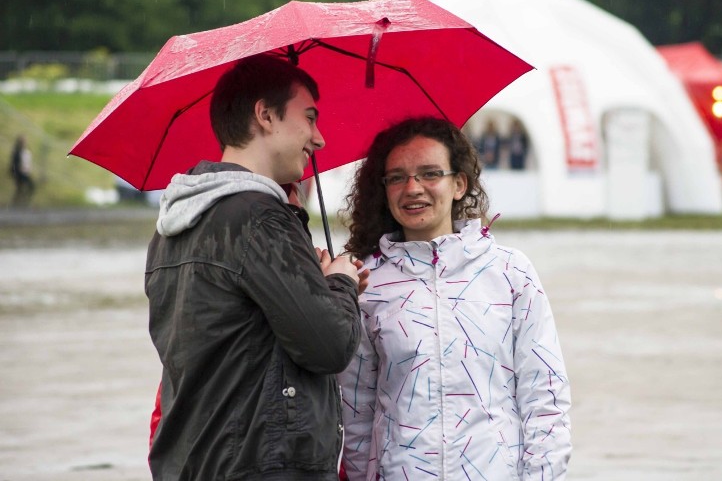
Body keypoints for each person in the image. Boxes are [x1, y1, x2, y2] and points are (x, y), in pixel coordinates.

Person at [145, 54, 368, 480]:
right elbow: (330, 346)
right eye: (310, 117)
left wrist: (310, 277)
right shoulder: (260, 218)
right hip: (260, 465)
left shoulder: (173, 226)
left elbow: (232, 340)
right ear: (264, 115)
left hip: (194, 461)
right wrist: (341, 282)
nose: (319, 138)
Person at [338, 117, 571, 480]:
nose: (413, 188)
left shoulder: (511, 272)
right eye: (397, 177)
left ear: (459, 184)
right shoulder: (366, 282)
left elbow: (545, 397)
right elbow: (356, 413)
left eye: (430, 173)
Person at [9, 135, 35, 207]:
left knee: (22, 188)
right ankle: (18, 203)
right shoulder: (17, 152)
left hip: (24, 172)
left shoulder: (25, 151)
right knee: (22, 188)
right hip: (19, 173)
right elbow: (14, 163)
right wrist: (16, 172)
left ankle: (19, 202)